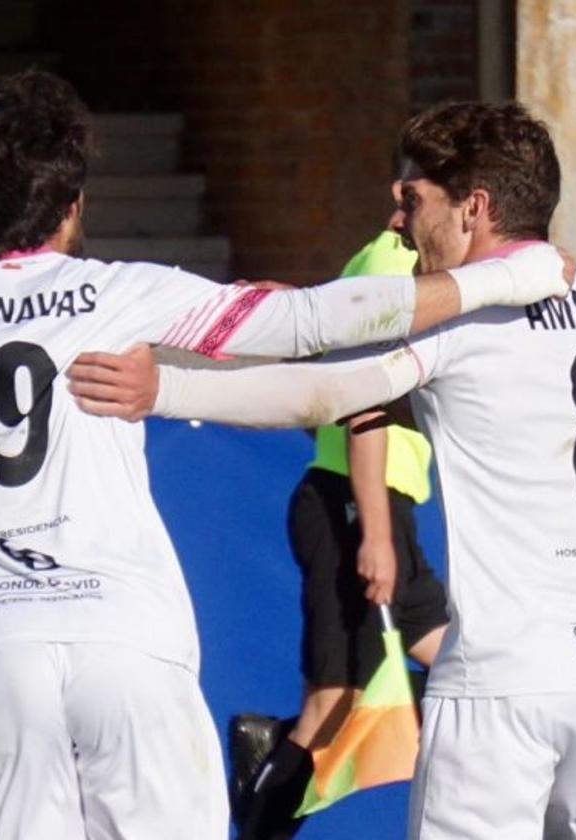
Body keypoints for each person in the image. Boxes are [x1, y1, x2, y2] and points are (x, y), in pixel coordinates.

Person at [0, 74, 571, 840]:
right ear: (73, 207)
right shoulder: (121, 294)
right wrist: (507, 274)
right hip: (131, 644)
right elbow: (307, 322)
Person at [68, 101, 576, 839]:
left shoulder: (457, 317)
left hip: (505, 686)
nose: (399, 223)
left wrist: (166, 389)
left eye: (415, 201)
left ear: (474, 210)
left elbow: (324, 391)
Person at [230, 227, 449, 840]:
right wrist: (372, 531)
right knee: (334, 705)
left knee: (468, 662)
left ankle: (277, 743)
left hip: (382, 502)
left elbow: (331, 344)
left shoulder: (402, 266)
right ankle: (268, 783)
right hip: (351, 502)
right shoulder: (392, 261)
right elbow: (363, 402)